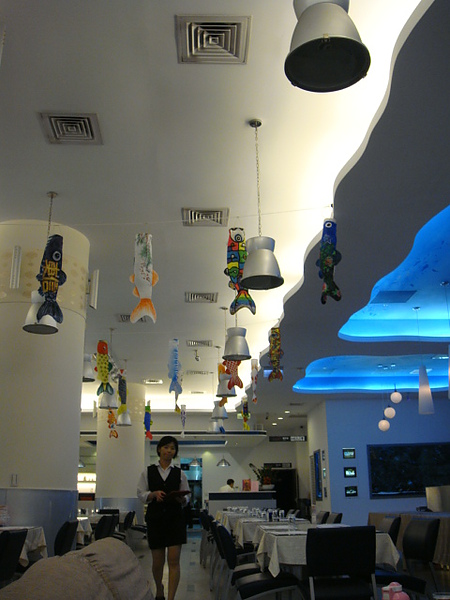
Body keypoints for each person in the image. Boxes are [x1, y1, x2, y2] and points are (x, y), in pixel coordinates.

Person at [137, 436, 190, 600]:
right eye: (166, 447)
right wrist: (153, 494)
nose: (169, 451)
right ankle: (159, 588)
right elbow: (140, 493)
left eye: (172, 448)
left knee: (174, 561)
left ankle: (171, 597)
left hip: (175, 519)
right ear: (159, 449)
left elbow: (187, 496)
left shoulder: (180, 473)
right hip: (156, 519)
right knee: (157, 562)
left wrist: (182, 499)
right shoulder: (148, 471)